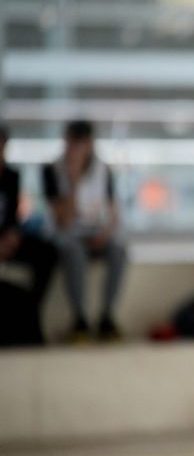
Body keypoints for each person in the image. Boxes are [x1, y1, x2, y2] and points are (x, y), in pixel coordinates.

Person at [42, 119, 127, 342]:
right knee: (74, 251)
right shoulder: (52, 170)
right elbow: (63, 219)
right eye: (72, 143)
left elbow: (113, 213)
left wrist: (105, 234)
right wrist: (74, 180)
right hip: (68, 233)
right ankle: (79, 318)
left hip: (96, 232)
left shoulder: (103, 169)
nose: (76, 149)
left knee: (119, 250)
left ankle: (107, 317)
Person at [0, 124, 58, 344]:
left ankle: (33, 309)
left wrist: (12, 237)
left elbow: (13, 218)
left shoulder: (11, 177)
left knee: (47, 252)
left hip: (7, 241)